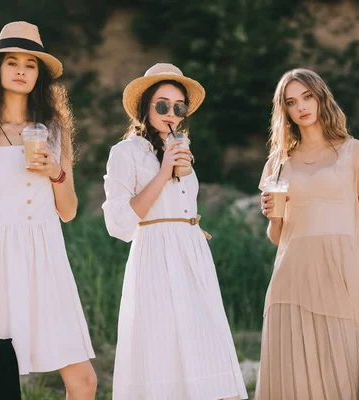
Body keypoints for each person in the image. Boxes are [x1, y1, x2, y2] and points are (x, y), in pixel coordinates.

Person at [0, 21, 96, 398]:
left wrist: (56, 172)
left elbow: (68, 212)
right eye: (12, 62)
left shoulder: (54, 130)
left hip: (46, 255)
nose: (21, 70)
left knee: (84, 381)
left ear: (39, 75)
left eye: (30, 64)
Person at [102, 63, 248, 400]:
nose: (171, 112)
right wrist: (163, 171)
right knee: (162, 345)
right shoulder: (125, 153)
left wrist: (174, 163)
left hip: (191, 251)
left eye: (178, 106)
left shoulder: (181, 149)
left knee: (204, 340)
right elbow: (119, 223)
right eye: (162, 104)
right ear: (145, 108)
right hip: (155, 252)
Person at [255, 68, 359, 400]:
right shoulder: (278, 163)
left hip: (342, 277)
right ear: (284, 110)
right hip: (291, 280)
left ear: (320, 97)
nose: (301, 107)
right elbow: (278, 237)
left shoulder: (357, 152)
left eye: (307, 96)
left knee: (345, 377)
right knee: (293, 382)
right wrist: (272, 217)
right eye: (291, 102)